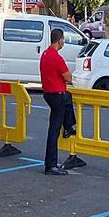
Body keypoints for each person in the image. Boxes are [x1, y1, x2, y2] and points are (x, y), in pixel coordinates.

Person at [40, 27, 76, 175]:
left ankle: (69, 126)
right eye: (63, 39)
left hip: (48, 94)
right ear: (60, 40)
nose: (64, 42)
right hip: (57, 95)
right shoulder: (56, 57)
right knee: (54, 131)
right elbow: (68, 77)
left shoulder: (45, 54)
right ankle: (51, 165)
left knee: (68, 97)